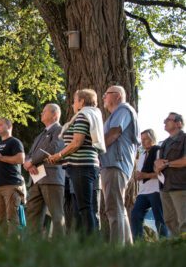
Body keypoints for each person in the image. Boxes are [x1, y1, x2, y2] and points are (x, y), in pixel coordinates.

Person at [48, 89, 105, 237]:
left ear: (81, 102)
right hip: (86, 165)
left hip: (81, 167)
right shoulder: (93, 115)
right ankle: (87, 243)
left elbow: (77, 143)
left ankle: (89, 244)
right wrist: (61, 159)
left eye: (74, 100)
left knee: (85, 208)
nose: (73, 104)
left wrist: (60, 154)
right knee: (87, 207)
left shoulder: (82, 116)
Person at [100, 85, 140, 245]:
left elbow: (114, 133)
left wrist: (96, 150)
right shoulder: (119, 113)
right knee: (118, 207)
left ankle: (116, 249)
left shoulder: (122, 110)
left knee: (113, 208)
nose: (103, 97)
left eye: (106, 94)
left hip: (115, 164)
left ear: (117, 96)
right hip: (115, 164)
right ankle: (127, 247)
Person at [24, 104, 66, 238]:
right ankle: (34, 249)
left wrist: (32, 161)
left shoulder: (60, 130)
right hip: (36, 179)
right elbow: (29, 154)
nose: (41, 113)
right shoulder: (40, 135)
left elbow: (53, 148)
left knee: (56, 214)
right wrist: (29, 164)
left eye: (44, 111)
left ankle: (60, 248)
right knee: (32, 213)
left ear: (54, 115)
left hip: (52, 178)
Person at [0, 118, 26, 236]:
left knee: (12, 218)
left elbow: (21, 159)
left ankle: (14, 249)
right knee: (1, 219)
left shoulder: (14, 142)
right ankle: (3, 248)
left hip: (12, 184)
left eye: (0, 125)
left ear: (9, 126)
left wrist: (1, 158)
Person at [130, 129, 169, 239]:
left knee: (159, 220)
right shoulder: (142, 155)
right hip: (143, 192)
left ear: (152, 139)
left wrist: (145, 175)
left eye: (146, 139)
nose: (143, 142)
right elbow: (141, 174)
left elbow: (163, 173)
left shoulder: (158, 152)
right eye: (142, 139)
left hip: (156, 190)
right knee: (135, 215)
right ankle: (139, 243)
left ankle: (164, 243)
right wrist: (138, 176)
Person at [154, 113, 186, 236]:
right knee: (170, 221)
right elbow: (158, 164)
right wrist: (157, 166)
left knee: (184, 222)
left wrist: (166, 164)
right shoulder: (164, 143)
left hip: (180, 187)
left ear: (179, 123)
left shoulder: (184, 139)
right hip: (165, 187)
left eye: (168, 120)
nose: (164, 122)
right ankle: (176, 249)